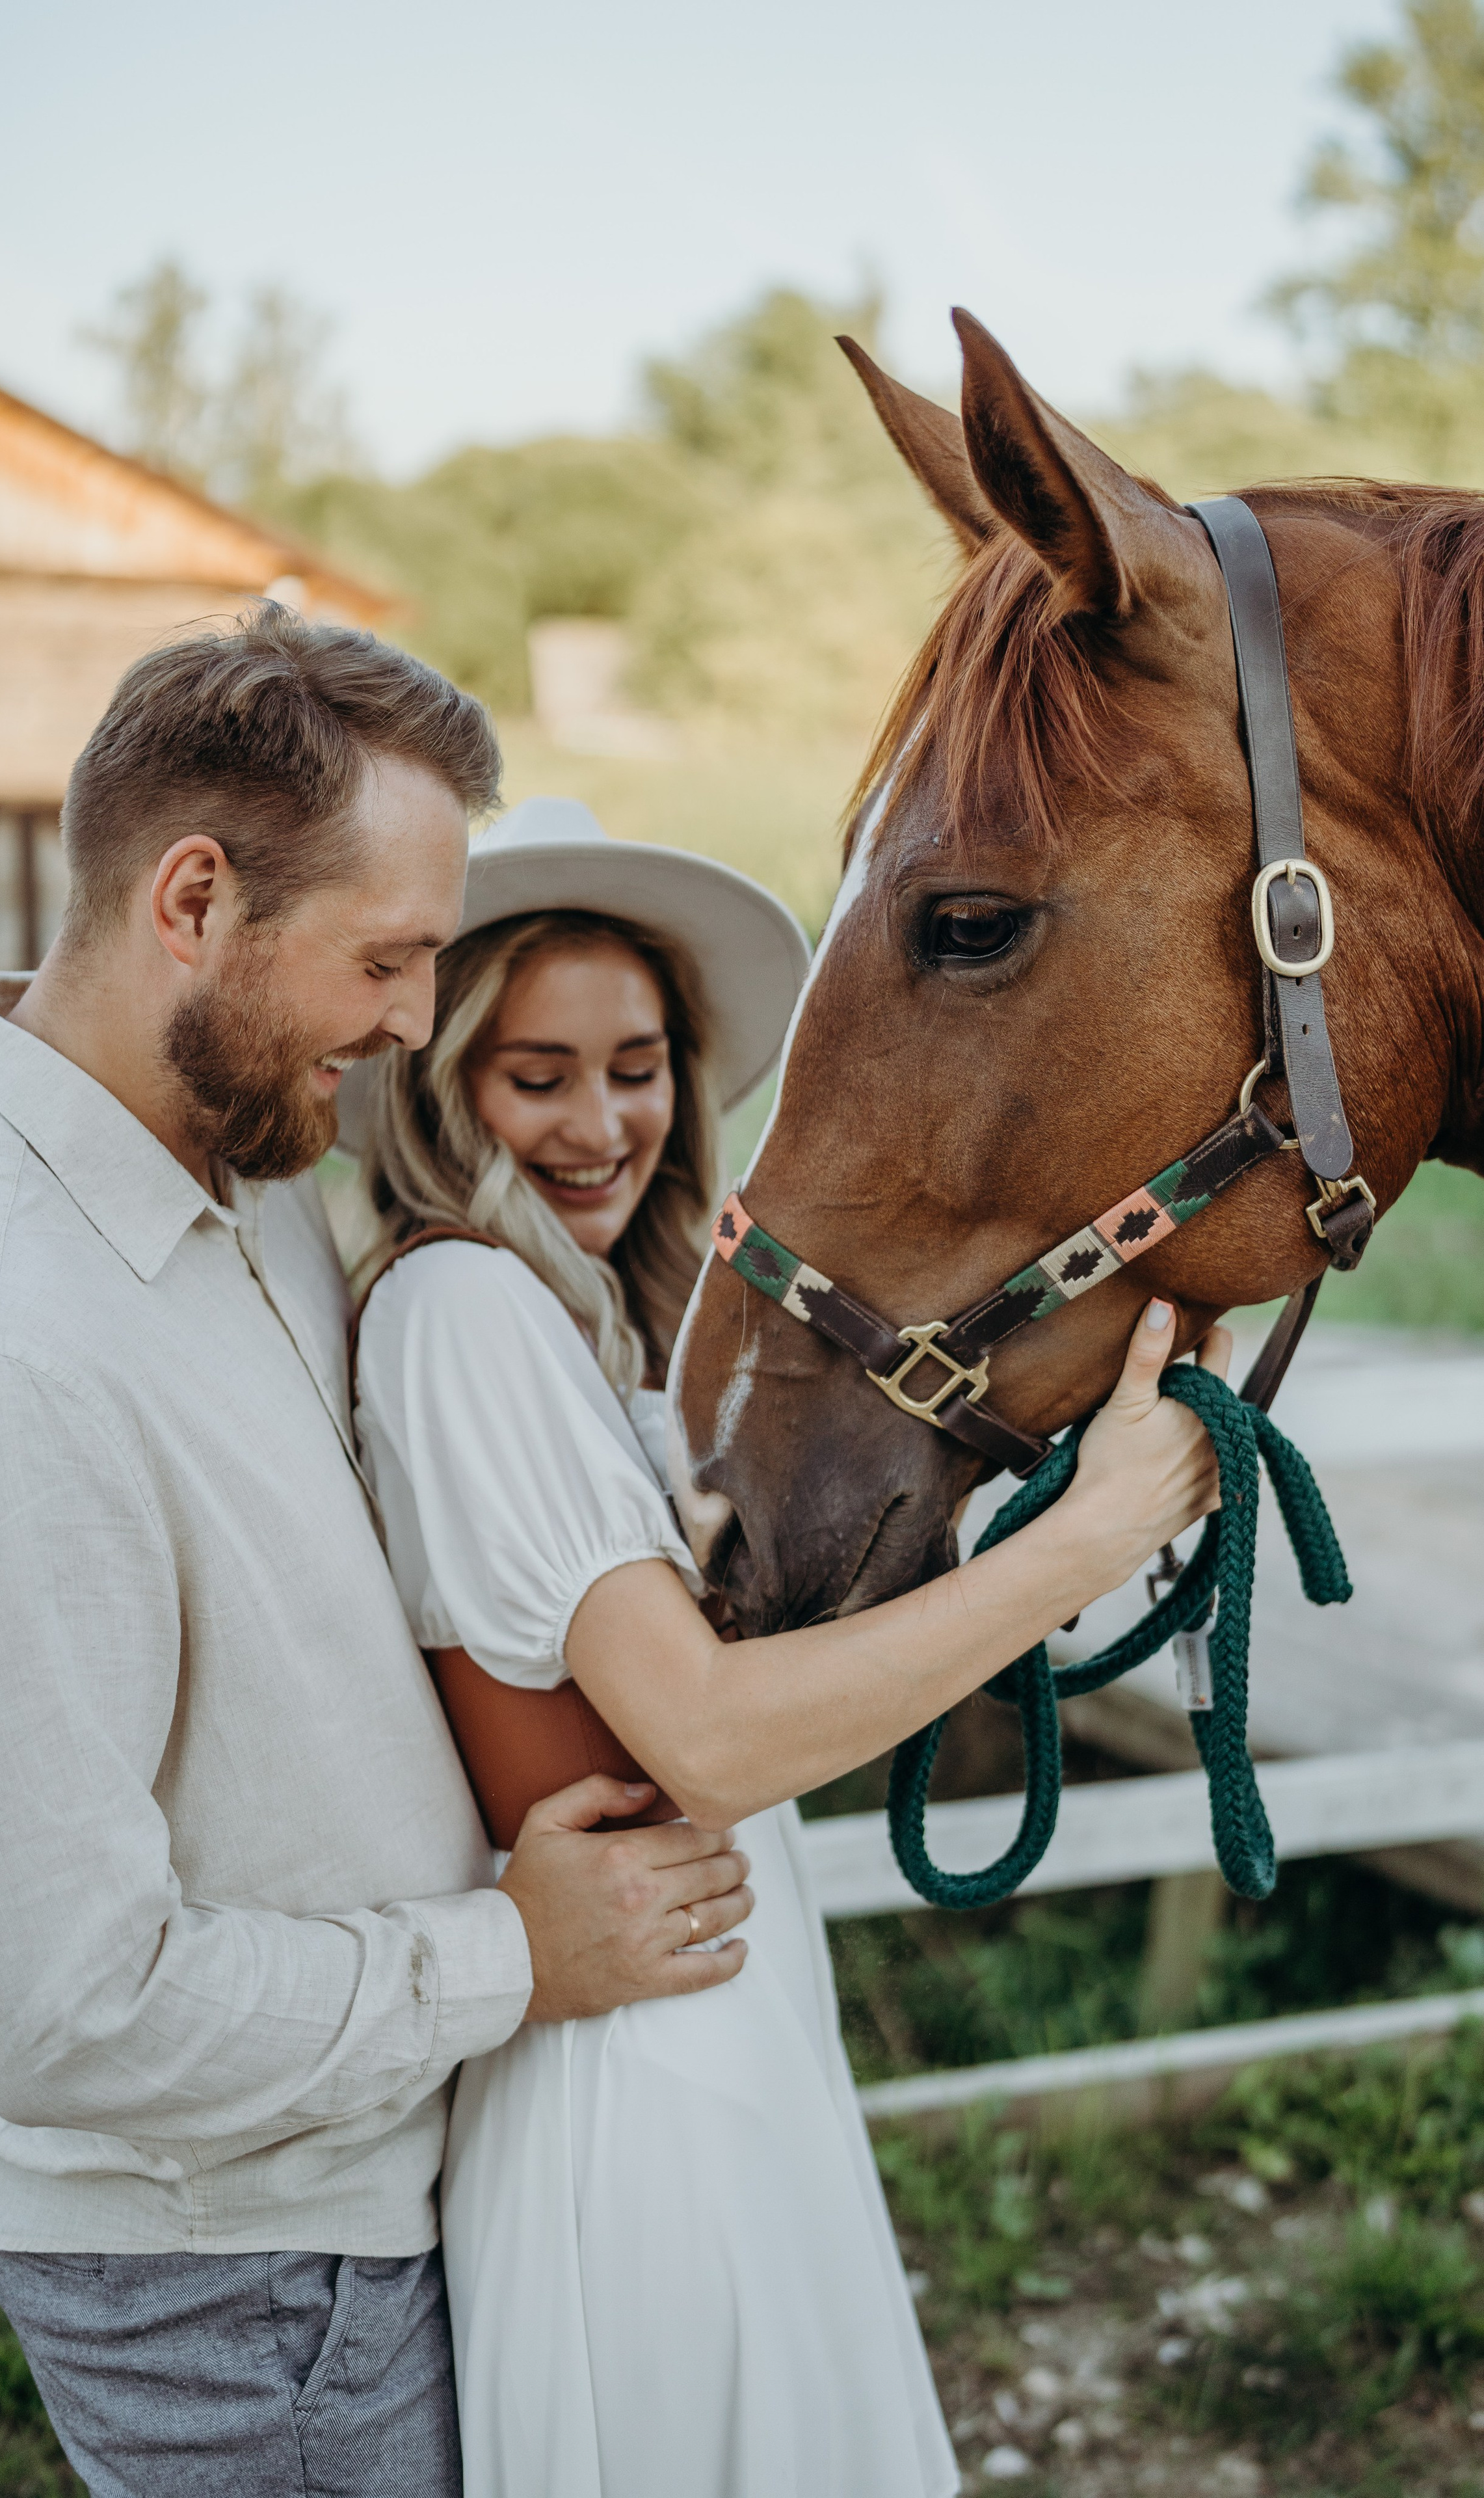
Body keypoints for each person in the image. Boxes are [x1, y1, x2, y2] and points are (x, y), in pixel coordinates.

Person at [0, 616, 758, 2498]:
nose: (419, 1020)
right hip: (233, 2284)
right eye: (389, 959)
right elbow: (71, 2004)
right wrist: (511, 1955)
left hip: (354, 2197)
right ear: (194, 901)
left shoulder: (236, 1170)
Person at [349, 796, 1228, 2498]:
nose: (601, 1122)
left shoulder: (583, 1332)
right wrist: (1094, 1539)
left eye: (639, 1062)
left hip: (719, 2021)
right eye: (536, 1076)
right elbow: (717, 1743)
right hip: (639, 2070)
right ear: (442, 1083)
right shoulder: (461, 1313)